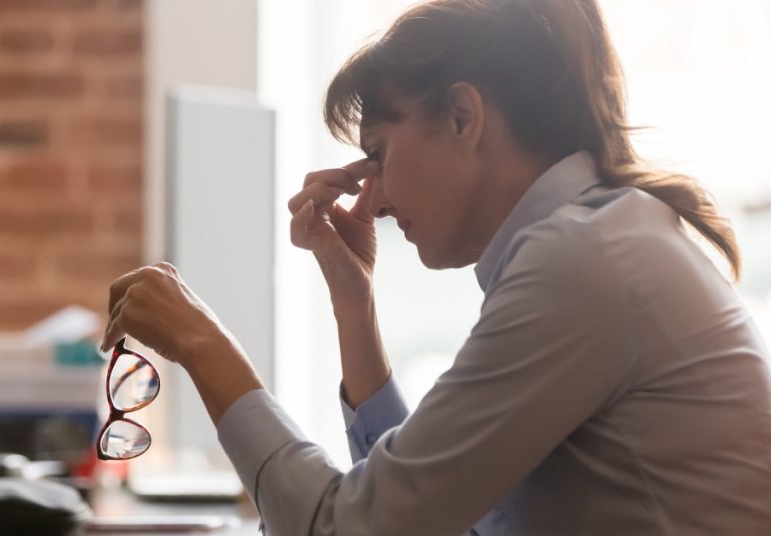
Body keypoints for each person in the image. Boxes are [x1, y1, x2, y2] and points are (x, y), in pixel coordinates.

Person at [100, 0, 771, 533]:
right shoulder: (596, 235)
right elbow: (433, 513)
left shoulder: (581, 264)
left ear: (462, 118)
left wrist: (204, 347)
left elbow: (352, 529)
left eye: (379, 156)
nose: (376, 198)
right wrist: (353, 304)